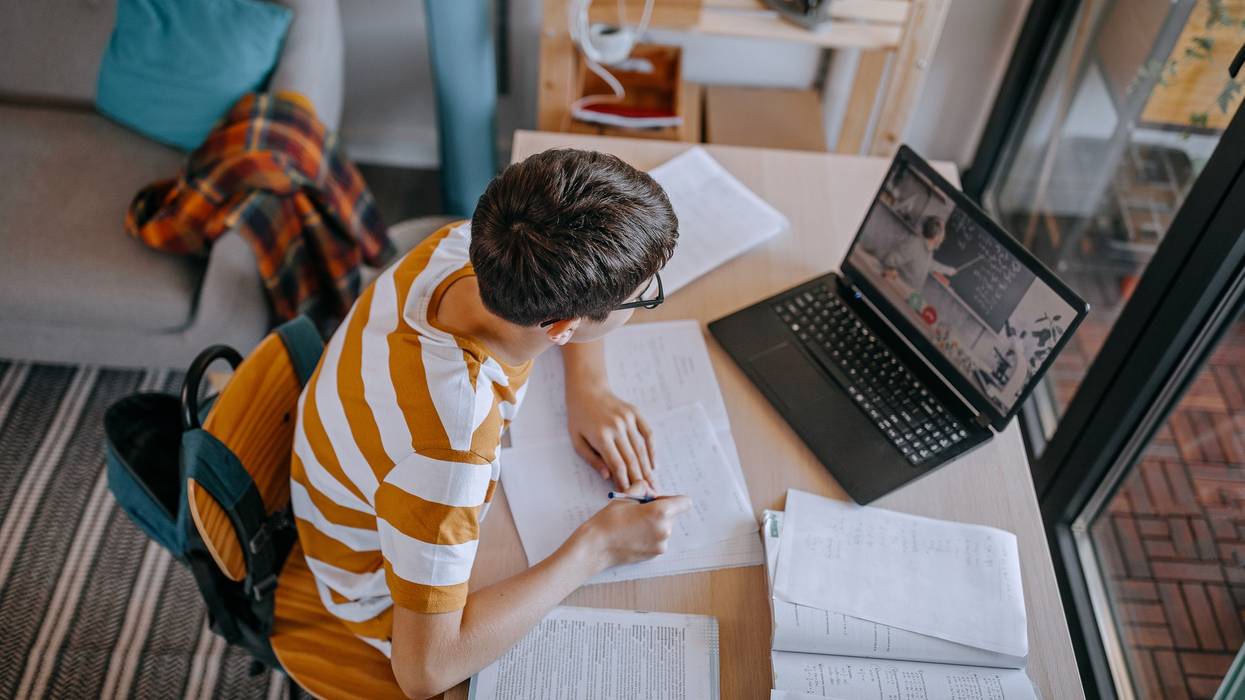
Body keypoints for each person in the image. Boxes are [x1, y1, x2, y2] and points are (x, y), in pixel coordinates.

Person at [288, 149, 691, 697]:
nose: (647, 301)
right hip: (378, 593)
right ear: (565, 326)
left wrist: (587, 387)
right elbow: (424, 672)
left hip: (372, 482)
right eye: (643, 299)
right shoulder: (448, 454)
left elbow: (567, 313)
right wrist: (597, 548)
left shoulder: (468, 246)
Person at [880, 216, 958, 288]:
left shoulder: (928, 251)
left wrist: (949, 270)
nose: (942, 240)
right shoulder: (914, 244)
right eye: (942, 236)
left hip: (907, 294)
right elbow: (889, 260)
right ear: (936, 237)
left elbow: (930, 264)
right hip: (894, 289)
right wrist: (892, 275)